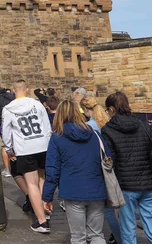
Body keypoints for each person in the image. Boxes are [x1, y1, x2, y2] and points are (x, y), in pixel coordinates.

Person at [102, 91, 152, 244]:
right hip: (149, 184)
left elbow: (109, 159)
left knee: (128, 231)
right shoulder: (143, 125)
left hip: (126, 186)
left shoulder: (107, 130)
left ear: (112, 109)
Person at [42, 100, 109, 244]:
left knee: (78, 238)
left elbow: (52, 171)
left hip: (72, 191)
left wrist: (47, 197)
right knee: (97, 235)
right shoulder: (95, 134)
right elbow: (108, 158)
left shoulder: (57, 137)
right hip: (96, 189)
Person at [2, 80, 52, 234]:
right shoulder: (37, 104)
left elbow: (6, 132)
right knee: (41, 179)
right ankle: (45, 209)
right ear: (27, 90)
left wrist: (9, 149)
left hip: (24, 148)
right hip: (42, 145)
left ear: (13, 91)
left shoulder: (8, 109)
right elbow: (47, 126)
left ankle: (42, 221)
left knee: (31, 184)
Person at [81, 96, 121, 244]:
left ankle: (120, 238)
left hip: (102, 168)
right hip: (114, 166)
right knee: (117, 209)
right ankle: (120, 236)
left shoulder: (90, 126)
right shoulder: (108, 121)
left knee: (109, 209)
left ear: (85, 110)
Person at [0, 81, 15, 178]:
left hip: (2, 124)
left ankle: (7, 169)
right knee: (15, 144)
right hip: (14, 122)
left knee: (4, 146)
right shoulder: (11, 96)